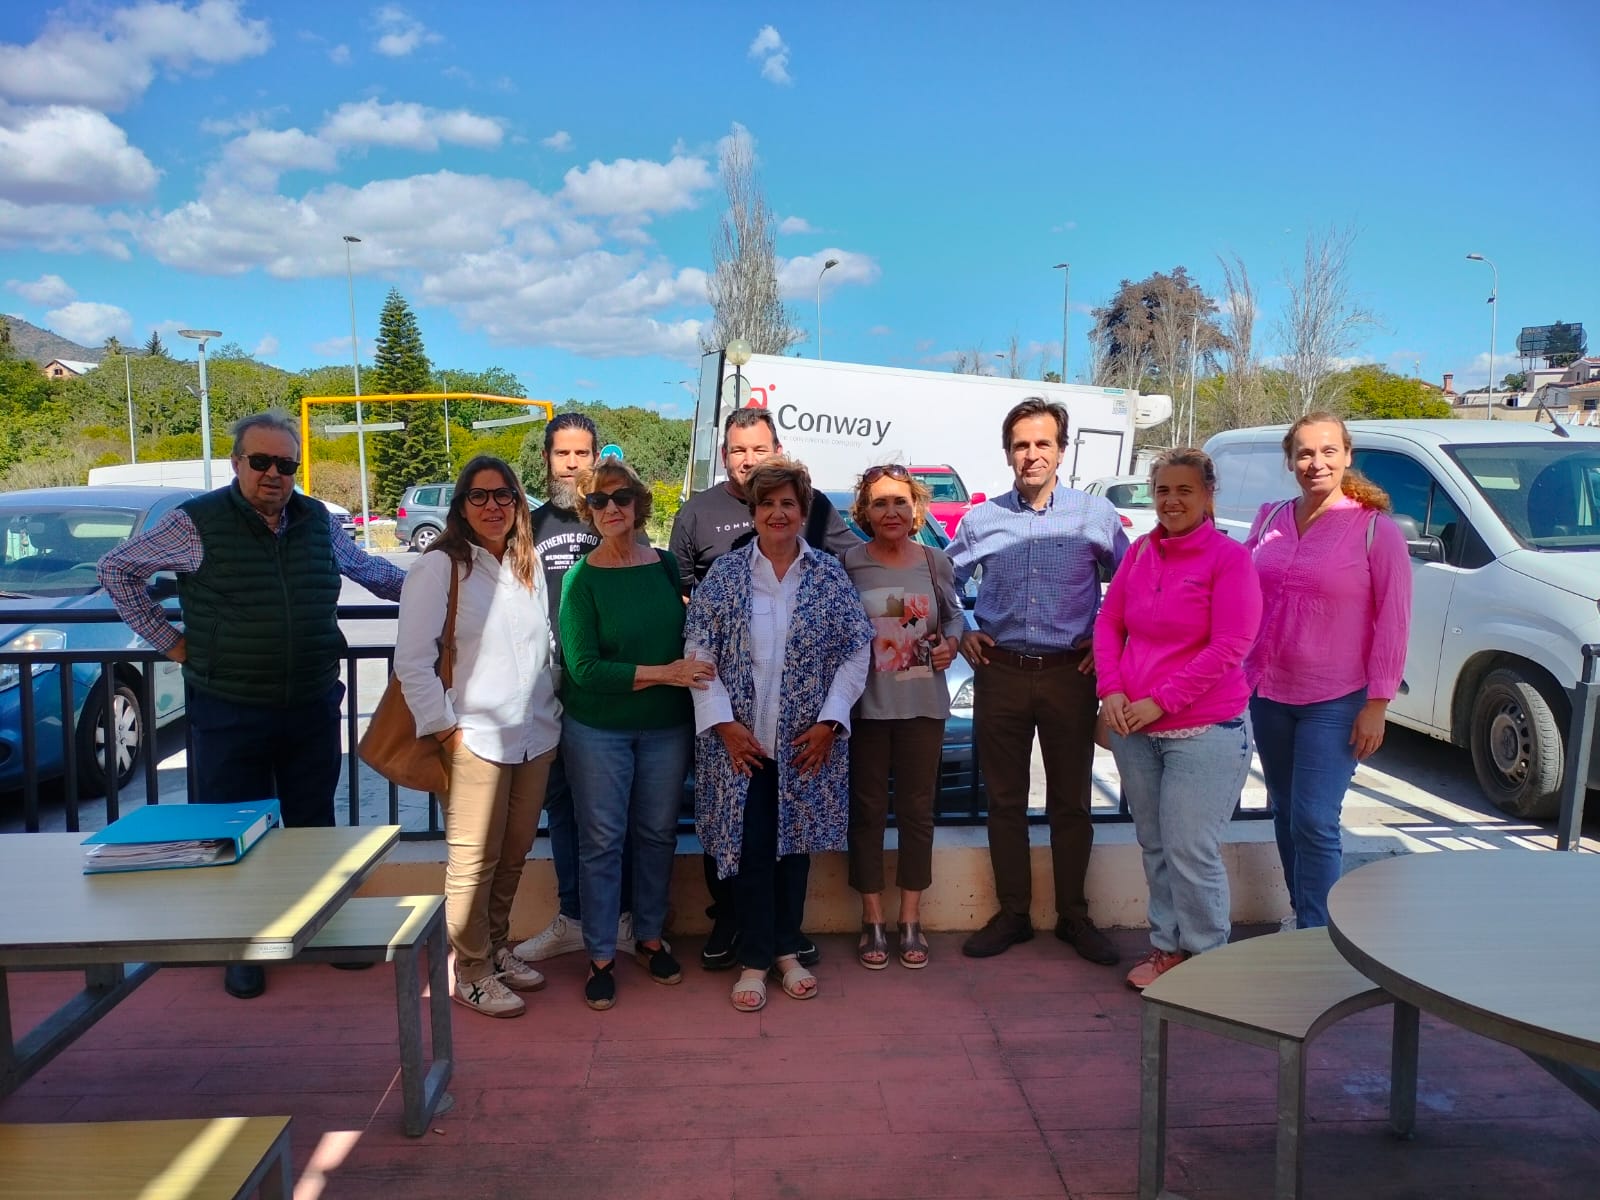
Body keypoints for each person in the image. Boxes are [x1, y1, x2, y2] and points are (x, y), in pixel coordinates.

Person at [98, 410, 406, 1000]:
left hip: (311, 702)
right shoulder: (197, 523)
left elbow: (372, 571)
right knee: (230, 830)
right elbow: (117, 569)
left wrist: (452, 582)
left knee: (313, 824)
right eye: (260, 461)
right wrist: (173, 644)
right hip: (228, 705)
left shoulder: (316, 519)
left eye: (285, 464)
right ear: (237, 463)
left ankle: (325, 928)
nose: (273, 474)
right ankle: (238, 946)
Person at [669, 407, 856, 970]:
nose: (778, 513)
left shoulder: (826, 573)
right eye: (768, 503)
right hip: (739, 741)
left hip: (804, 739)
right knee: (746, 849)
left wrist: (830, 721)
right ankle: (753, 958)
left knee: (793, 849)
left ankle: (785, 946)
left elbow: (855, 649)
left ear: (804, 512)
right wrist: (724, 724)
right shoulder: (726, 575)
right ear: (753, 510)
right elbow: (698, 653)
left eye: (789, 504)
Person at [948, 397, 1126, 966]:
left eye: (1042, 443)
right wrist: (963, 627)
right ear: (1007, 453)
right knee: (1003, 800)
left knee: (1071, 803)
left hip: (1069, 678)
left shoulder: (1095, 516)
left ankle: (1075, 915)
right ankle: (1014, 914)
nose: (1031, 454)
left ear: (1061, 450)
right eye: (1021, 444)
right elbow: (943, 580)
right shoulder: (981, 519)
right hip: (999, 674)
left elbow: (1130, 588)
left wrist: (1103, 639)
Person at [393, 456, 561, 1018]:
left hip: (535, 733)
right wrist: (447, 731)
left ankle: (493, 948)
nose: (493, 507)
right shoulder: (440, 566)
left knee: (513, 854)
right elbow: (413, 661)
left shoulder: (526, 563)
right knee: (472, 862)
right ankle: (469, 970)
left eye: (504, 496)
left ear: (518, 504)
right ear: (461, 506)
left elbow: (543, 648)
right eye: (479, 496)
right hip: (475, 738)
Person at [1094, 449, 1262, 990]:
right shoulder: (1141, 552)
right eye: (1163, 490)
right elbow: (1110, 622)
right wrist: (1112, 689)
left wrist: (1159, 701)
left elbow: (1230, 645)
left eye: (1184, 490)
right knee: (1156, 844)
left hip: (1205, 731)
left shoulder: (1229, 560)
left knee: (1191, 848)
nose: (1171, 501)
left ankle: (1209, 959)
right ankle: (1167, 949)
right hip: (1135, 729)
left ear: (1208, 495)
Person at [1246, 412, 1411, 931]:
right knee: (1286, 814)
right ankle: (1302, 918)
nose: (1315, 463)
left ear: (1346, 456)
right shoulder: (1269, 518)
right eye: (1304, 453)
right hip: (1269, 692)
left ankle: (1320, 934)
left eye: (1327, 452)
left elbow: (1394, 620)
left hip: (1336, 698)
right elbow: (1244, 595)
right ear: (1290, 459)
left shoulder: (1374, 530)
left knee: (1316, 820)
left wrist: (1377, 705)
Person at [560, 459, 709, 1011]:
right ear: (588, 511)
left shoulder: (667, 568)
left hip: (667, 727)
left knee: (657, 835)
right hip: (599, 729)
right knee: (601, 842)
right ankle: (600, 954)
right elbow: (583, 668)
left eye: (620, 498)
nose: (611, 509)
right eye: (598, 502)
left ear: (639, 504)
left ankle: (649, 937)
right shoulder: (581, 580)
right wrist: (663, 674)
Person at [514, 413, 638, 966]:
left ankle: (625, 918)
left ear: (597, 458)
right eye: (561, 454)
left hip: (610, 690)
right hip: (548, 690)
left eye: (581, 454)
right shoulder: (525, 525)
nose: (571, 464)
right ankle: (572, 917)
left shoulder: (614, 520)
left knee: (620, 811)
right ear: (546, 460)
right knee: (561, 805)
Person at [842, 464, 964, 970]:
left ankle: (911, 918)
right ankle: (872, 918)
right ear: (864, 513)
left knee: (918, 813)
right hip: (865, 709)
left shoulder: (935, 561)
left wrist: (951, 643)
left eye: (899, 501)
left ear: (915, 508)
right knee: (866, 813)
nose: (890, 512)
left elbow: (952, 613)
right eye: (879, 503)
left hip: (924, 708)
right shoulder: (848, 563)